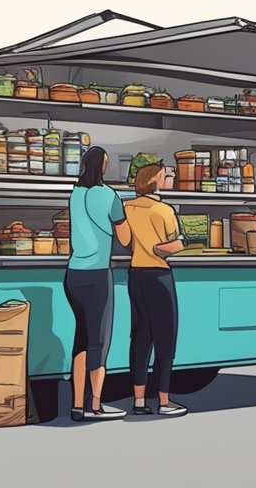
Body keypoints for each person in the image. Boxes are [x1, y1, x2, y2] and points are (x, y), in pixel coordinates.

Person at [65, 146, 132, 421]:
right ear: (103, 166)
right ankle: (96, 405)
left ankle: (76, 405)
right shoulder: (108, 195)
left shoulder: (75, 193)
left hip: (72, 275)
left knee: (80, 341)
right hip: (96, 276)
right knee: (99, 343)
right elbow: (125, 238)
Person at [123, 160, 188, 416]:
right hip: (159, 276)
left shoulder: (126, 207)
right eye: (165, 175)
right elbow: (173, 244)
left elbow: (125, 239)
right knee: (165, 341)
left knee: (140, 339)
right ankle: (163, 401)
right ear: (155, 181)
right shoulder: (164, 210)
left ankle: (139, 401)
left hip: (135, 276)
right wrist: (170, 246)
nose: (168, 179)